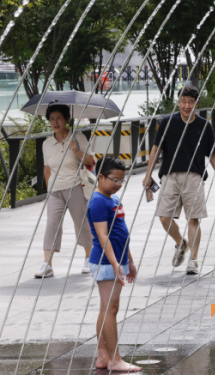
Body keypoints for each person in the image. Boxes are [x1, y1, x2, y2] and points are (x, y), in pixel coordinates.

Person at [143, 86, 215, 276]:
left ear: (197, 104)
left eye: (191, 102)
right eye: (183, 101)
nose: (186, 105)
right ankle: (181, 243)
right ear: (178, 102)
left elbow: (212, 154)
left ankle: (193, 260)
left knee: (193, 219)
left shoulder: (204, 125)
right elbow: (155, 149)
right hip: (170, 175)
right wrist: (148, 175)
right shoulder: (167, 122)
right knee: (164, 217)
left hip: (194, 176)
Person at [86, 156, 141, 373]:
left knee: (106, 309)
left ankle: (102, 356)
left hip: (117, 260)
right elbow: (102, 236)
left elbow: (121, 233)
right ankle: (115, 360)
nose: (117, 184)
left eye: (121, 180)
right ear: (100, 177)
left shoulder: (113, 199)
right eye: (113, 180)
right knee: (111, 309)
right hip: (107, 261)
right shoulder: (99, 201)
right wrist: (116, 263)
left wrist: (130, 261)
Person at [38, 103, 94, 278]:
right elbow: (47, 170)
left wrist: (76, 151)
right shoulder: (47, 144)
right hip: (55, 190)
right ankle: (47, 264)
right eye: (52, 119)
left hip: (75, 186)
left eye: (59, 118)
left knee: (82, 222)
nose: (55, 122)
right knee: (52, 224)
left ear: (66, 120)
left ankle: (89, 258)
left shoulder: (78, 138)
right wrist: (49, 189)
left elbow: (90, 162)